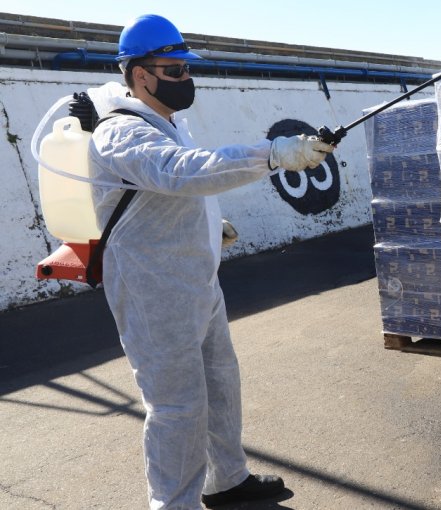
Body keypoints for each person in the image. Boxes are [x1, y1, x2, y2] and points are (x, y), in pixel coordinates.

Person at [87, 14, 333, 510]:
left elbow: (174, 194)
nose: (185, 78)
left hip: (195, 276)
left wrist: (208, 226)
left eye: (186, 68)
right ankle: (174, 503)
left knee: (221, 382)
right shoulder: (118, 133)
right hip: (152, 288)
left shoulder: (169, 121)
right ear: (140, 75)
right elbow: (180, 173)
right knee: (176, 406)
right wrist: (275, 153)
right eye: (174, 70)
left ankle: (226, 480)